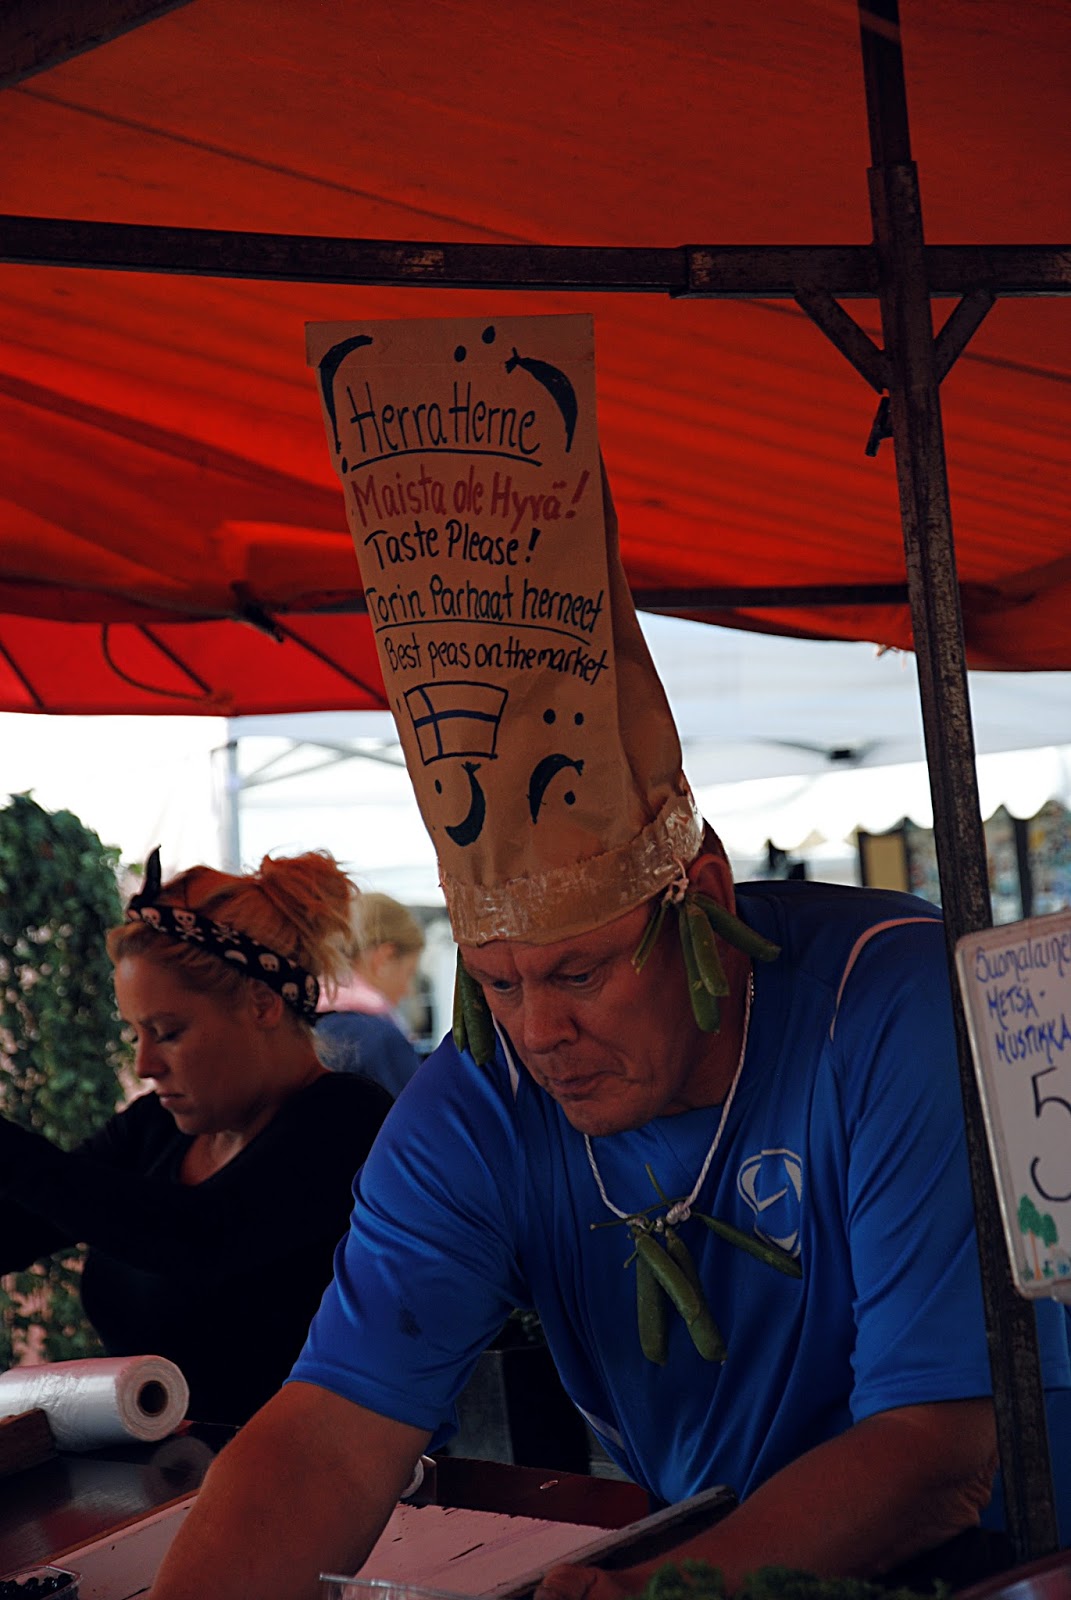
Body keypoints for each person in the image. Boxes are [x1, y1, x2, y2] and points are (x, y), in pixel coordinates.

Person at [146, 343, 1071, 1600]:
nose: (540, 1031)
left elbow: (937, 1453)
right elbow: (332, 1431)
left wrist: (658, 1593)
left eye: (579, 971)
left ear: (704, 900)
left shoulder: (895, 1006)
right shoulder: (475, 1106)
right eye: (498, 981)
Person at [0, 848, 393, 1427]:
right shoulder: (155, 1128)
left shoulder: (346, 1121)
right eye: (136, 1035)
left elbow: (202, 1236)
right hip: (155, 1467)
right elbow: (23, 1223)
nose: (145, 1065)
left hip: (309, 1469)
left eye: (167, 1032)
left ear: (262, 1004)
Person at [315, 891, 425, 1099]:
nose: (408, 991)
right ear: (384, 958)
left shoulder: (305, 1025)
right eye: (410, 973)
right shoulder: (382, 1040)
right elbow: (418, 1116)